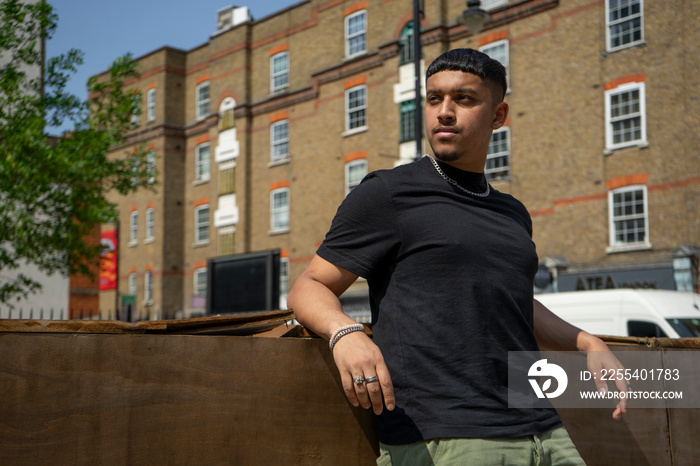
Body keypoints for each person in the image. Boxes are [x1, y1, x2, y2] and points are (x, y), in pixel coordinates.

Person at [287, 48, 628, 465]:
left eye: (463, 99)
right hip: (446, 435)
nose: (444, 112)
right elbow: (309, 286)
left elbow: (514, 301)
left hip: (543, 426)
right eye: (434, 99)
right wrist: (344, 332)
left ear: (498, 115)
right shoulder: (388, 193)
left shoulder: (512, 212)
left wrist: (585, 341)